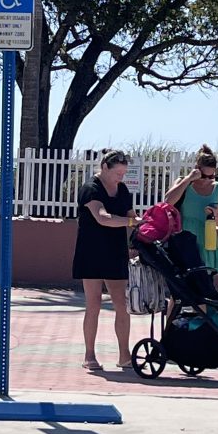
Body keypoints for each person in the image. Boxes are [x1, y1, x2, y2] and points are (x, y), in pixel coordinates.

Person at [72, 149, 141, 372]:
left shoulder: (122, 190)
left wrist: (137, 236)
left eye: (123, 173)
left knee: (122, 305)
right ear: (104, 168)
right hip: (91, 252)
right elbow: (102, 218)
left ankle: (124, 355)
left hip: (115, 252)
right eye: (117, 173)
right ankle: (89, 355)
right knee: (94, 305)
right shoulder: (90, 189)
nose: (120, 178)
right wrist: (131, 223)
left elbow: (131, 216)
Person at [164, 144, 218, 274]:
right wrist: (189, 179)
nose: (207, 180)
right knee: (184, 278)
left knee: (205, 277)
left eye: (211, 177)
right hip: (184, 236)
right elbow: (168, 201)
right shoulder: (183, 182)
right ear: (196, 169)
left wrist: (216, 215)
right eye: (204, 176)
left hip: (207, 236)